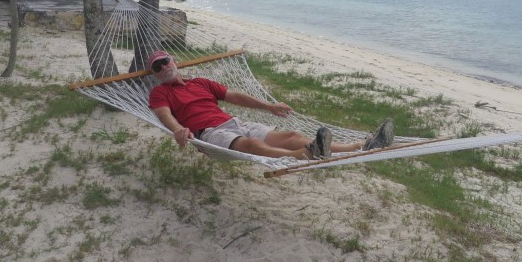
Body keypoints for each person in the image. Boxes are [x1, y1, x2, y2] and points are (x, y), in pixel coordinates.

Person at [147, 50, 395, 160]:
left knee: (292, 134)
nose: (164, 67)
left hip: (233, 123)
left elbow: (236, 97)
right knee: (253, 145)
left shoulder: (200, 82)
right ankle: (305, 155)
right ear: (156, 74)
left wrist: (269, 106)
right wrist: (178, 129)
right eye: (157, 67)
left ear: (174, 60)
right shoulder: (160, 93)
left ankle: (360, 145)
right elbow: (164, 115)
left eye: (165, 61)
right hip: (209, 134)